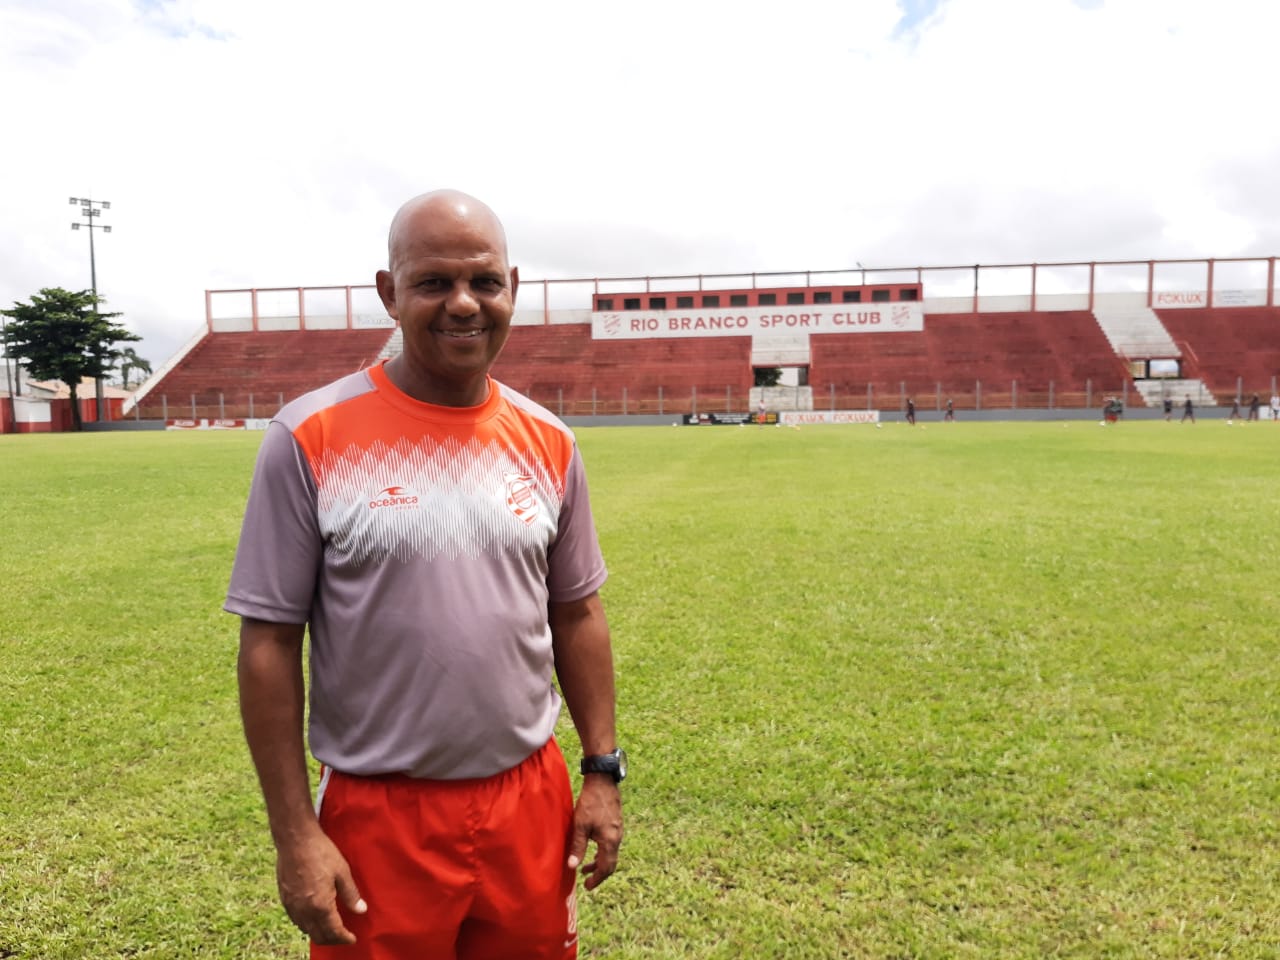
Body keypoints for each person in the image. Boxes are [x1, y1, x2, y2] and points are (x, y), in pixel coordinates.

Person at [226, 190, 623, 959]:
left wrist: (602, 770)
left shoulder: (551, 441)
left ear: (513, 286)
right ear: (390, 293)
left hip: (530, 801)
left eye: (484, 281)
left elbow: (578, 613)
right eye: (434, 282)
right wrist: (293, 835)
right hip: (379, 815)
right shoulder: (309, 436)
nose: (463, 304)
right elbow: (268, 642)